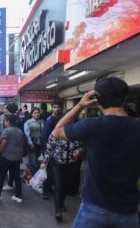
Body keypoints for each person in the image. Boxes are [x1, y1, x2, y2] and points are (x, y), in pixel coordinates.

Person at [52, 77, 140, 228]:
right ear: (124, 98)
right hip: (128, 210)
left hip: (95, 208)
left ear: (96, 98)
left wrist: (80, 105)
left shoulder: (92, 126)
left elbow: (57, 131)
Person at [40, 133, 83, 221]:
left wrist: (79, 150)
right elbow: (49, 148)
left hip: (71, 164)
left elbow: (83, 146)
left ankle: (61, 202)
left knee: (66, 186)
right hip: (57, 163)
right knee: (58, 186)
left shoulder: (76, 132)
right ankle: (58, 210)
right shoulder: (56, 132)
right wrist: (45, 162)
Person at [0, 114, 24, 203]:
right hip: (17, 157)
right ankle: (18, 196)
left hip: (6, 157)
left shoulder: (7, 131)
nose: (4, 122)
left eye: (5, 121)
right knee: (17, 177)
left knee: (1, 176)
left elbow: (3, 143)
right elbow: (21, 144)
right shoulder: (19, 131)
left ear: (7, 121)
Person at [42, 99, 63, 199]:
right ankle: (45, 191)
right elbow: (46, 137)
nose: (57, 109)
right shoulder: (50, 120)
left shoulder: (62, 119)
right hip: (50, 149)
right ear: (52, 108)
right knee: (49, 172)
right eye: (55, 107)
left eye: (59, 107)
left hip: (59, 150)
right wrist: (47, 152)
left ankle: (51, 188)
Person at [24, 107, 44, 176]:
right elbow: (27, 135)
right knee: (32, 161)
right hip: (32, 144)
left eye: (38, 113)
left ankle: (37, 176)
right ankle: (33, 177)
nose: (37, 114)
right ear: (32, 114)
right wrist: (30, 143)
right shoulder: (28, 122)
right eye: (35, 113)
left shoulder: (42, 121)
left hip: (40, 143)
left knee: (38, 159)